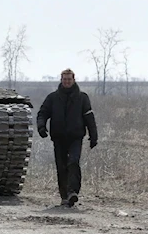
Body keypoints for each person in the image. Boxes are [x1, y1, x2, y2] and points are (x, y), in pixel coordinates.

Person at [36, 68, 98, 207]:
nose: (67, 81)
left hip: (75, 137)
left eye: (69, 79)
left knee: (73, 162)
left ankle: (73, 192)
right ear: (61, 80)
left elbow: (89, 116)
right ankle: (64, 196)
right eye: (65, 79)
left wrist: (93, 136)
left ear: (73, 80)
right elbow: (43, 113)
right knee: (61, 166)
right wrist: (41, 126)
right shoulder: (53, 97)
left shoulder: (82, 97)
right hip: (58, 137)